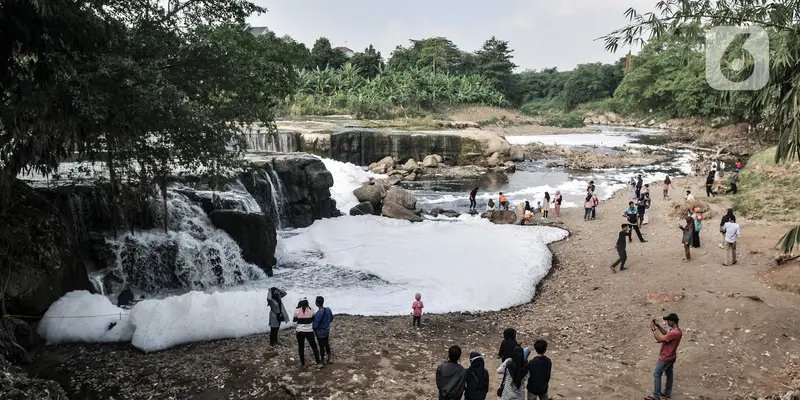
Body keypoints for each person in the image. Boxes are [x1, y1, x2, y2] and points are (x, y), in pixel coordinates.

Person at [647, 313, 683, 400]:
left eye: (668, 320)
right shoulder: (677, 331)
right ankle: (667, 393)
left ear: (672, 321)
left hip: (665, 357)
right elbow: (666, 334)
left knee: (657, 374)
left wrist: (653, 328)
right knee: (669, 374)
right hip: (671, 356)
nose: (667, 322)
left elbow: (659, 339)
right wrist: (658, 326)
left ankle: (656, 396)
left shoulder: (674, 332)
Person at [293, 297, 321, 368]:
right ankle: (318, 362)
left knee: (301, 348)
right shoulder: (311, 310)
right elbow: (313, 320)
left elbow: (294, 322)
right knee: (314, 347)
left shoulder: (296, 311)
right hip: (309, 331)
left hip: (300, 331)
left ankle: (303, 364)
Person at [312, 296, 334, 364]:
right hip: (326, 330)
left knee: (321, 346)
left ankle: (322, 359)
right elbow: (331, 318)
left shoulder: (317, 314)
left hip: (320, 333)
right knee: (326, 344)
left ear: (317, 304)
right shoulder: (328, 309)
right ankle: (329, 358)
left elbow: (315, 326)